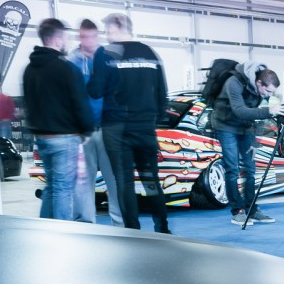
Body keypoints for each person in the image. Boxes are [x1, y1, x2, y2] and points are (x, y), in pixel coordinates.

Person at [87, 13, 171, 234]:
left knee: (124, 180)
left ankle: (133, 231)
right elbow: (162, 92)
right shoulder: (150, 53)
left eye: (108, 30)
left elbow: (95, 90)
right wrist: (153, 119)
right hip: (145, 126)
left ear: (115, 28)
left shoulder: (105, 53)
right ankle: (162, 228)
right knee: (150, 179)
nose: (107, 34)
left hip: (117, 127)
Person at [21, 18, 94, 221]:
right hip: (65, 137)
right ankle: (62, 233)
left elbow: (29, 103)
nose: (67, 41)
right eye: (65, 37)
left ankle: (45, 229)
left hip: (42, 137)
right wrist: (87, 129)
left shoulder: (29, 69)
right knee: (63, 188)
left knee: (52, 186)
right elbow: (80, 103)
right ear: (57, 39)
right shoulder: (66, 68)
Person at [67, 19, 123, 225]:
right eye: (84, 36)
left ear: (97, 36)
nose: (88, 41)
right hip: (83, 132)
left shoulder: (109, 59)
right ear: (79, 37)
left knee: (113, 179)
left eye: (91, 36)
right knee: (83, 181)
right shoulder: (72, 62)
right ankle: (86, 224)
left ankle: (120, 224)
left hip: (109, 128)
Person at [213, 63, 280, 225]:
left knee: (250, 169)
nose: (269, 95)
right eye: (268, 91)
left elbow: (259, 117)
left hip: (246, 128)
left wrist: (255, 140)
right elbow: (240, 111)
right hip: (226, 126)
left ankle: (252, 209)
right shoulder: (234, 82)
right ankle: (238, 211)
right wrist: (269, 111)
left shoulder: (262, 91)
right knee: (232, 169)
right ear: (259, 83)